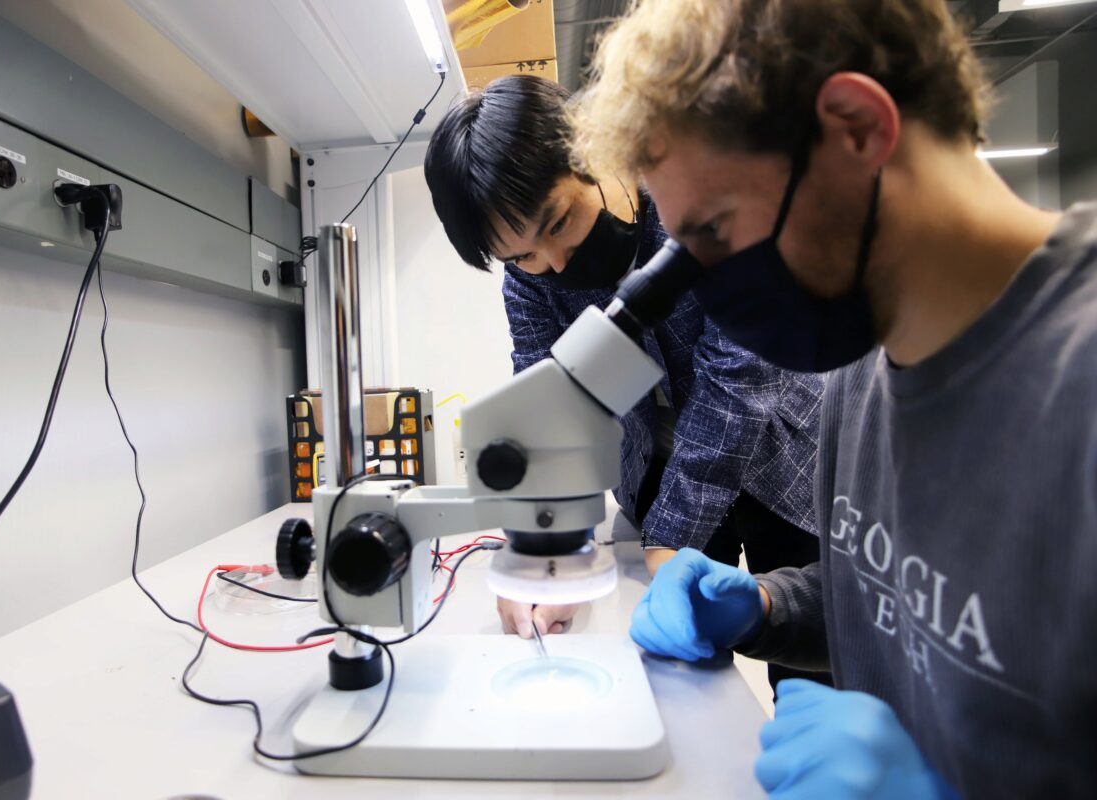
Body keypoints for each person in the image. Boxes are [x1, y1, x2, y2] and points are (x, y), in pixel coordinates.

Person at [572, 0, 1097, 797]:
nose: (710, 292)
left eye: (715, 231)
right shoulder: (858, 363)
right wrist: (766, 605)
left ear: (855, 128)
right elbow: (911, 606)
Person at [424, 74, 831, 694]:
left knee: (807, 662)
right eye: (523, 255)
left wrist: (666, 540)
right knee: (684, 675)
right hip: (660, 474)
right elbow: (552, 412)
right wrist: (546, 555)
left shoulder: (700, 206)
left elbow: (736, 387)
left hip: (780, 459)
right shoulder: (530, 282)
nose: (554, 265)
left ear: (595, 151)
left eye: (558, 222)